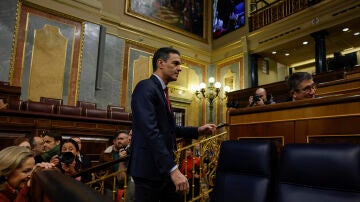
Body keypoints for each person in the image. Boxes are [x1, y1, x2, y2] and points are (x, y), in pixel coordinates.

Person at [130, 47, 216, 202]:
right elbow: (151, 132)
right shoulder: (145, 87)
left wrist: (197, 130)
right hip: (149, 169)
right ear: (161, 63)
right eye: (176, 63)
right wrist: (173, 169)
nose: (180, 69)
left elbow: (170, 129)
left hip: (161, 168)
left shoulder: (161, 91)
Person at [99, 131, 131, 196]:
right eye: (118, 139)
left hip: (126, 185)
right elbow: (100, 171)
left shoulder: (129, 152)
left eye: (121, 139)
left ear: (128, 140)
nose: (119, 141)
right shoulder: (106, 153)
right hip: (110, 186)